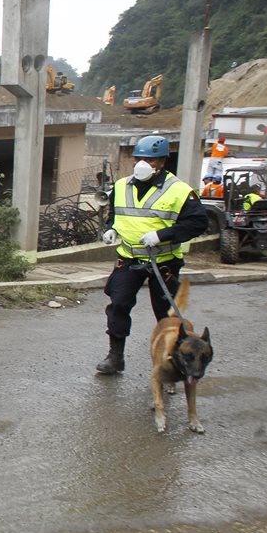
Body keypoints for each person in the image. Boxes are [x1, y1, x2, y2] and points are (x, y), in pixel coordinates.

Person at [95, 135, 208, 374]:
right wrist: (111, 228)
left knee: (166, 315)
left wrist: (162, 235)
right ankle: (115, 357)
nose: (143, 164)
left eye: (150, 160)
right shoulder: (121, 186)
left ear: (163, 162)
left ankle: (173, 361)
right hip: (129, 259)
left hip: (164, 263)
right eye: (139, 159)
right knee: (118, 305)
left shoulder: (179, 191)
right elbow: (115, 214)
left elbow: (198, 223)